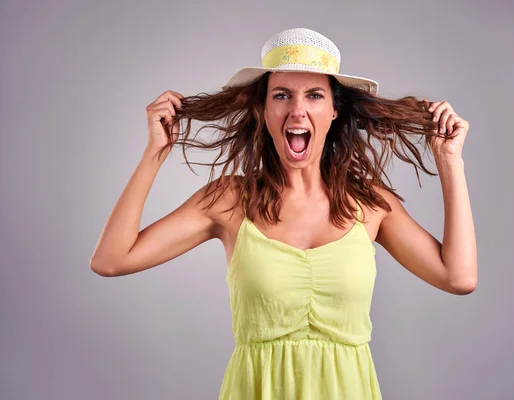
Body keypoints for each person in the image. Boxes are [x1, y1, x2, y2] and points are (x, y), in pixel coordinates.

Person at [90, 27, 477, 399]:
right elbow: (111, 259)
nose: (297, 110)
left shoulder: (369, 203)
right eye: (281, 95)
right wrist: (154, 154)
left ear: (334, 110)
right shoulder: (229, 201)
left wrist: (449, 161)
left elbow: (458, 277)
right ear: (262, 110)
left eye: (313, 95)